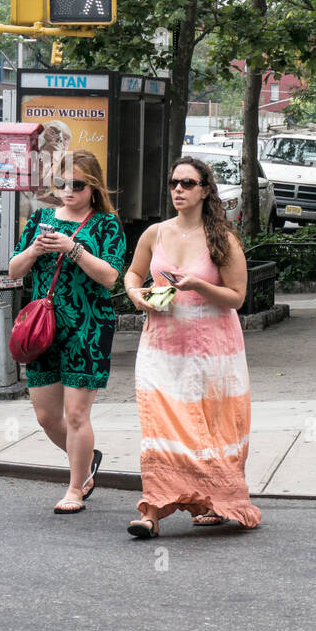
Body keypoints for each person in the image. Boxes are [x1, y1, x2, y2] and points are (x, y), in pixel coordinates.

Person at [121, 157, 262, 539]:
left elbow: (237, 297)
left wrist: (197, 286)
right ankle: (151, 510)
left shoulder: (222, 239)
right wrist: (139, 295)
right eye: (173, 183)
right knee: (160, 428)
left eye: (187, 183)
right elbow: (133, 273)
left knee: (208, 430)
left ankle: (211, 502)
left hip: (212, 352)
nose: (178, 190)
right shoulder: (155, 233)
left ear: (204, 190)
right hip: (161, 349)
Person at [8, 151, 126, 514]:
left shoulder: (106, 224)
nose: (69, 191)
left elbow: (110, 276)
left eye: (77, 185)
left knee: (76, 415)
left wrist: (73, 249)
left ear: (93, 188)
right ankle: (87, 459)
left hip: (88, 328)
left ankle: (75, 488)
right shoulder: (41, 219)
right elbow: (13, 271)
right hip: (44, 328)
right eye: (61, 184)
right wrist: (33, 250)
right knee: (46, 416)